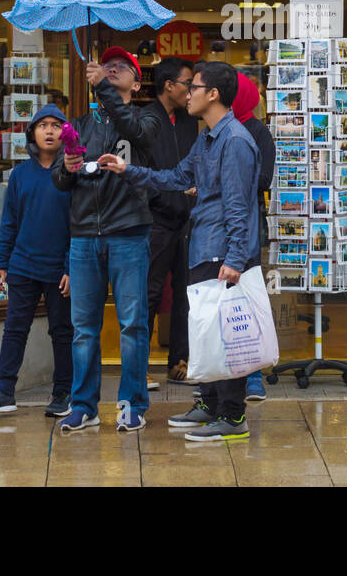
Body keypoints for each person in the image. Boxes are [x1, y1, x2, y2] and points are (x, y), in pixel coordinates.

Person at [98, 61, 261, 443]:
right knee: (205, 331)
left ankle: (233, 415)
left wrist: (236, 258)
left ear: (214, 94)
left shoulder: (235, 141)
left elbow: (239, 205)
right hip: (203, 244)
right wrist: (128, 170)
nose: (189, 93)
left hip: (223, 251)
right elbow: (176, 178)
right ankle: (209, 404)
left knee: (226, 333)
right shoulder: (206, 138)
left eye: (196, 87)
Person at [53, 47, 161, 433]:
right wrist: (66, 169)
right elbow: (61, 181)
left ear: (136, 81)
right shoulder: (79, 125)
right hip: (84, 236)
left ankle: (133, 403)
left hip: (129, 232)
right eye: (107, 65)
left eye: (122, 67)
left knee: (133, 324)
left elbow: (132, 131)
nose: (112, 69)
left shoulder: (147, 119)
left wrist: (103, 89)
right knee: (83, 327)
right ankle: (84, 404)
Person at [0, 104, 73, 416]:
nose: (50, 130)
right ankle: (3, 392)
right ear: (32, 132)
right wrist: (1, 262)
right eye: (43, 125)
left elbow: (78, 224)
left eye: (57, 125)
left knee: (62, 331)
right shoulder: (19, 175)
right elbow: (10, 222)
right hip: (23, 265)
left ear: (65, 133)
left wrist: (71, 267)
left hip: (59, 269)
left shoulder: (72, 172)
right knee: (15, 329)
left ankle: (64, 393)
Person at [143, 57, 198, 386]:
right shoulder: (146, 120)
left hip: (187, 219)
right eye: (188, 83)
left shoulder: (190, 120)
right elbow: (143, 173)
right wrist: (168, 195)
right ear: (168, 85)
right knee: (148, 293)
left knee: (186, 293)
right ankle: (140, 365)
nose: (192, 91)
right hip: (156, 219)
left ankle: (179, 361)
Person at [232, 71, 274, 404]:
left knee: (248, 295)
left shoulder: (258, 133)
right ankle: (226, 371)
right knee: (223, 298)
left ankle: (254, 376)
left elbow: (264, 180)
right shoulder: (212, 130)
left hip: (246, 224)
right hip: (219, 225)